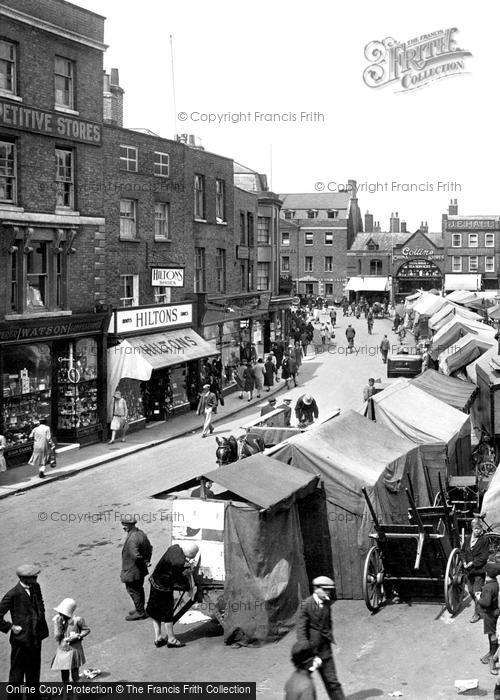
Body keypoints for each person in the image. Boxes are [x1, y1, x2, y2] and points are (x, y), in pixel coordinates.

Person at [0, 563, 49, 687]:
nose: (36, 580)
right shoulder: (13, 594)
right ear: (23, 578)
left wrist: (40, 617)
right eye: (33, 578)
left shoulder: (35, 587)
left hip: (35, 639)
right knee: (17, 676)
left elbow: (40, 603)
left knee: (34, 675)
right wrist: (11, 626)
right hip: (21, 641)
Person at [296, 575, 345, 700]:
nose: (327, 592)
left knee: (332, 682)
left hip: (325, 650)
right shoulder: (306, 604)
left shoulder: (327, 603)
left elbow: (328, 623)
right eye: (325, 589)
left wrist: (328, 637)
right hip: (310, 652)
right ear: (316, 589)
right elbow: (301, 628)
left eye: (329, 590)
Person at [146, 542, 199, 648]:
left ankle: (158, 638)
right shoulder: (180, 563)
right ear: (191, 554)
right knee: (167, 614)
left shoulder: (174, 548)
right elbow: (180, 578)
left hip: (154, 581)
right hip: (164, 588)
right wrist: (189, 586)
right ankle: (171, 639)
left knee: (154, 611)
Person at [120, 514, 153, 621]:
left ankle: (140, 612)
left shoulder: (132, 538)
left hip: (133, 570)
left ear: (129, 525)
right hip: (140, 570)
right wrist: (147, 560)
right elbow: (149, 547)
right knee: (138, 589)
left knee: (133, 590)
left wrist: (143, 562)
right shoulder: (140, 533)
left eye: (124, 524)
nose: (123, 526)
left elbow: (135, 555)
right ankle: (140, 608)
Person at [50, 598, 90, 682]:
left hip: (74, 650)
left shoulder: (77, 620)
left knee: (75, 674)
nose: (59, 614)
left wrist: (78, 636)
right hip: (62, 650)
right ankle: (67, 690)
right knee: (64, 674)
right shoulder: (59, 621)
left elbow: (86, 630)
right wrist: (57, 625)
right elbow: (57, 637)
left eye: (61, 613)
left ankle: (76, 691)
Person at [464, 518, 490, 624]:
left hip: (479, 571)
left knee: (476, 592)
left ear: (481, 529)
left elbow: (484, 557)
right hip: (469, 571)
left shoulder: (484, 540)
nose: (477, 531)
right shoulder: (468, 538)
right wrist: (463, 562)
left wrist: (473, 563)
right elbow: (462, 551)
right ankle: (483, 603)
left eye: (479, 529)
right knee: (471, 591)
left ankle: (477, 614)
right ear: (472, 529)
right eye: (475, 529)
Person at [477, 562, 500, 675]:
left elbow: (486, 603)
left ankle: (492, 655)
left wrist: (478, 598)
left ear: (487, 573)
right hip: (496, 612)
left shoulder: (487, 587)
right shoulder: (495, 584)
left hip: (489, 614)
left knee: (492, 635)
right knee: (494, 634)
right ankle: (492, 652)